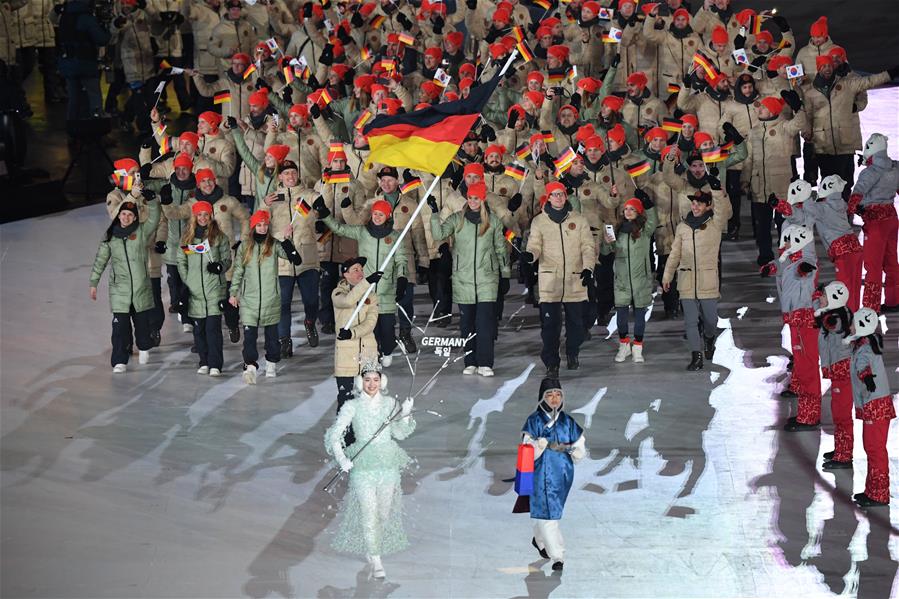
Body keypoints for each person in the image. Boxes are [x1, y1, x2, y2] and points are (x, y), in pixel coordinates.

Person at [324, 364, 415, 580]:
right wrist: (342, 459)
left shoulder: (390, 404)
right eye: (367, 380)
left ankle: (372, 547)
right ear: (360, 382)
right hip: (363, 466)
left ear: (381, 382)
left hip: (388, 464)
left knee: (383, 513)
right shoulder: (352, 406)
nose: (371, 384)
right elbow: (334, 436)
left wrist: (406, 414)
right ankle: (375, 558)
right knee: (369, 511)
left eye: (375, 379)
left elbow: (401, 434)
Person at [429, 182, 511, 377]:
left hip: (487, 279)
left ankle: (485, 362)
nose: (473, 201)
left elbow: (501, 249)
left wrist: (505, 274)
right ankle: (470, 360)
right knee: (467, 323)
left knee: (485, 322)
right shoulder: (457, 219)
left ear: (482, 199)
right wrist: (433, 213)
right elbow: (438, 234)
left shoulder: (492, 222)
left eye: (476, 198)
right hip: (463, 278)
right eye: (470, 197)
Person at [317, 197, 408, 367]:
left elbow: (402, 260)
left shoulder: (395, 237)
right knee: (370, 329)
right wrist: (325, 215)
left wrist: (402, 279)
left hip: (387, 288)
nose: (377, 217)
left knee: (387, 328)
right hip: (366, 288)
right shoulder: (363, 232)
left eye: (381, 214)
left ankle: (387, 349)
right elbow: (340, 229)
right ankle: (374, 357)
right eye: (375, 214)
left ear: (387, 216)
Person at [523, 182, 596, 376]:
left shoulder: (579, 220)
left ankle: (572, 353)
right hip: (550, 283)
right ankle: (551, 363)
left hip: (575, 279)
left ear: (566, 196)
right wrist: (530, 255)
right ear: (548, 197)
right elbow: (535, 245)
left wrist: (588, 268)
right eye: (554, 195)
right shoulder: (539, 221)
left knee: (577, 326)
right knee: (550, 327)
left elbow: (588, 246)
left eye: (561, 194)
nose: (558, 198)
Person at [89, 194, 161, 373]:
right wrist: (94, 282)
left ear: (135, 217)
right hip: (119, 290)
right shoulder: (110, 236)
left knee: (142, 325)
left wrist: (151, 200)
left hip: (140, 288)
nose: (126, 217)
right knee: (119, 327)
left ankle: (144, 347)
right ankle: (120, 360)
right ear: (118, 216)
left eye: (130, 214)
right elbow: (101, 260)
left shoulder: (142, 232)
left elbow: (155, 217)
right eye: (123, 214)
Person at [229, 210, 302, 384]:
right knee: (249, 338)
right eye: (259, 225)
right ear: (254, 226)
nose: (262, 228)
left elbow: (295, 259)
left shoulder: (275, 245)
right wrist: (233, 293)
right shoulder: (244, 246)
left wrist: (287, 240)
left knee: (272, 336)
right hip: (249, 300)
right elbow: (238, 271)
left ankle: (271, 363)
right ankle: (251, 366)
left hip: (271, 298)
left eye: (265, 224)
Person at [662, 189, 731, 371]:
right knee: (690, 321)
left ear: (708, 205)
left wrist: (717, 191)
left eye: (699, 203)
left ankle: (709, 338)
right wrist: (667, 275)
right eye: (693, 203)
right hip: (686, 279)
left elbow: (723, 210)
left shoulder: (715, 223)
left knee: (711, 320)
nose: (695, 206)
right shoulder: (683, 227)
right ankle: (696, 356)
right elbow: (675, 252)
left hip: (707, 279)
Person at [522, 378, 586, 572]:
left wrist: (577, 451)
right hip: (541, 472)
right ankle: (557, 555)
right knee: (550, 514)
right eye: (549, 394)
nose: (554, 398)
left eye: (558, 394)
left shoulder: (567, 421)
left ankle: (539, 539)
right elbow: (526, 449)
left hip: (563, 473)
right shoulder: (534, 421)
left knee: (547, 511)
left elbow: (579, 442)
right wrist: (537, 446)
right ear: (542, 397)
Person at [844, 308, 894, 508]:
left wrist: (866, 377)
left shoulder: (865, 347)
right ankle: (873, 491)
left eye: (853, 323)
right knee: (871, 448)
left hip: (875, 405)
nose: (850, 326)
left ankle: (880, 494)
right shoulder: (864, 343)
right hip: (873, 403)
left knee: (875, 449)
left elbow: (863, 365)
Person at [773, 225, 822, 432]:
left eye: (788, 241)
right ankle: (805, 411)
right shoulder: (791, 260)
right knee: (802, 365)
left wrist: (804, 270)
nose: (783, 245)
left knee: (808, 366)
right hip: (796, 320)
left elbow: (807, 268)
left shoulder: (804, 261)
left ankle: (810, 417)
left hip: (804, 320)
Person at [176, 201, 232, 377]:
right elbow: (181, 261)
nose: (202, 218)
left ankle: (215, 363)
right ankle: (204, 361)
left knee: (212, 329)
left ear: (211, 216)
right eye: (199, 215)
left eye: (205, 215)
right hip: (195, 293)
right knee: (199, 330)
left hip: (214, 289)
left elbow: (227, 260)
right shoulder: (187, 239)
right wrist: (189, 280)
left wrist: (219, 267)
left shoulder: (220, 238)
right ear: (194, 217)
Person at [332, 258, 381, 446]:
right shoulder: (338, 293)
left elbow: (371, 322)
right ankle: (345, 438)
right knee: (346, 400)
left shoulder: (371, 295)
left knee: (368, 399)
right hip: (346, 356)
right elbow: (348, 301)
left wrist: (353, 332)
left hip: (367, 354)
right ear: (345, 274)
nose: (360, 272)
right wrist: (367, 283)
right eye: (355, 269)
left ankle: (366, 437)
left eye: (361, 269)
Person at [849, 133, 899, 312]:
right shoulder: (895, 167)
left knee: (873, 265)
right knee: (892, 261)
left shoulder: (870, 172)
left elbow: (857, 194)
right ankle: (894, 300)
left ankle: (871, 306)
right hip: (892, 218)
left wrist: (851, 211)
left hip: (875, 222)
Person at [608, 194, 657, 363]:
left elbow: (653, 219)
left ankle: (637, 347)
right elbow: (610, 251)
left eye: (632, 209)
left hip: (640, 280)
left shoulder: (645, 231)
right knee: (621, 319)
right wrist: (608, 243)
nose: (628, 212)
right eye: (626, 209)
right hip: (621, 280)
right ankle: (624, 345)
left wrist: (649, 205)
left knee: (639, 317)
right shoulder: (617, 230)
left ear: (638, 212)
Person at [814, 281, 854, 470]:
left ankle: (844, 455)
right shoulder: (837, 313)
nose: (820, 299)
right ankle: (841, 448)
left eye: (824, 296)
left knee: (842, 415)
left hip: (843, 373)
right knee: (838, 411)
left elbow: (826, 324)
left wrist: (822, 310)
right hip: (840, 373)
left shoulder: (835, 319)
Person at [56, 0, 110, 119]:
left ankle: (72, 125)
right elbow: (102, 39)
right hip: (85, 62)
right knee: (93, 94)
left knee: (73, 97)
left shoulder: (64, 16)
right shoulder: (86, 18)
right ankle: (96, 123)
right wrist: (107, 29)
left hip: (68, 63)